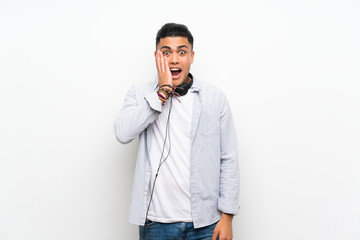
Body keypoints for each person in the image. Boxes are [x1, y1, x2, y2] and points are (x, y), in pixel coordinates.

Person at [114, 23, 239, 240]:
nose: (174, 59)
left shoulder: (214, 98)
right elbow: (123, 133)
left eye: (181, 52)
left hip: (206, 223)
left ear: (191, 56)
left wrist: (227, 216)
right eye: (166, 52)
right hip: (155, 224)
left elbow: (228, 158)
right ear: (156, 57)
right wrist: (161, 93)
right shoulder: (139, 94)